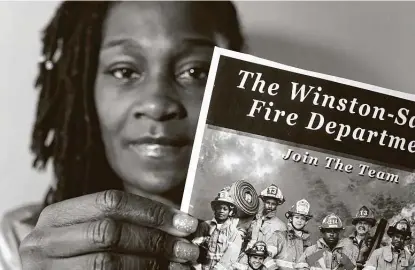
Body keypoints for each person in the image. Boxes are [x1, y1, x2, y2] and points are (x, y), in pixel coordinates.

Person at [0, 1, 245, 269]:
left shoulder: (276, 237)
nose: (157, 104)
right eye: (124, 71)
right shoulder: (19, 243)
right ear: (86, 90)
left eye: (196, 72)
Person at [191, 187, 243, 270]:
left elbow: (230, 258)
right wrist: (195, 264)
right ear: (214, 209)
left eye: (225, 209)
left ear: (230, 212)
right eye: (219, 208)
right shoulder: (204, 226)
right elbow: (194, 248)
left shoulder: (234, 233)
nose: (221, 211)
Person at [263, 199, 313, 270]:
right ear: (290, 219)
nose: (299, 221)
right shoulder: (279, 236)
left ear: (306, 222)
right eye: (297, 217)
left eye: (303, 218)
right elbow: (265, 256)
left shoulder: (308, 243)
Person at [246, 184, 287, 249]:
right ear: (264, 202)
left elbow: (281, 250)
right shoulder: (254, 220)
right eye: (268, 203)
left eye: (273, 204)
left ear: (277, 205)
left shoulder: (281, 226)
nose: (270, 206)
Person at [342, 206, 377, 270]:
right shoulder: (344, 243)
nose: (362, 226)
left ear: (370, 227)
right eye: (360, 223)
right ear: (355, 225)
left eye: (365, 223)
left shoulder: (375, 245)